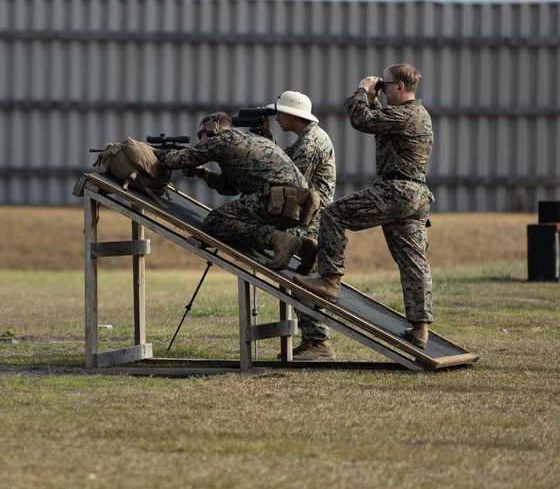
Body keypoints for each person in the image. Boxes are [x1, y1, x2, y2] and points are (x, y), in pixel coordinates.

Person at [295, 63, 435, 349]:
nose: (382, 91)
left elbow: (362, 121)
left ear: (400, 87)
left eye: (385, 86)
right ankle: (420, 328)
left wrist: (361, 90)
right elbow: (379, 119)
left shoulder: (406, 116)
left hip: (396, 191)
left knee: (332, 214)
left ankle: (330, 281)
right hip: (414, 196)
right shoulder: (416, 115)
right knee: (412, 261)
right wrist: (373, 98)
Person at [152, 111, 310, 270]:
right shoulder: (247, 139)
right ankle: (303, 246)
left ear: (213, 127)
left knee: (215, 221)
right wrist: (202, 172)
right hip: (298, 203)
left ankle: (279, 240)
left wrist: (150, 151)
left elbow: (179, 159)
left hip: (278, 199)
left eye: (201, 134)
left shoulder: (222, 140)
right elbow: (231, 187)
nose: (200, 140)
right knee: (251, 223)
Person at [259, 91, 337, 361]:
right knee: (303, 278)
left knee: (304, 280)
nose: (277, 117)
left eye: (279, 113)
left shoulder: (310, 143)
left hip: (310, 222)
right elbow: (285, 163)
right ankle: (315, 340)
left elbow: (289, 177)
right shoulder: (310, 137)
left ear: (294, 115)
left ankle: (318, 342)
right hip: (309, 218)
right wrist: (267, 138)